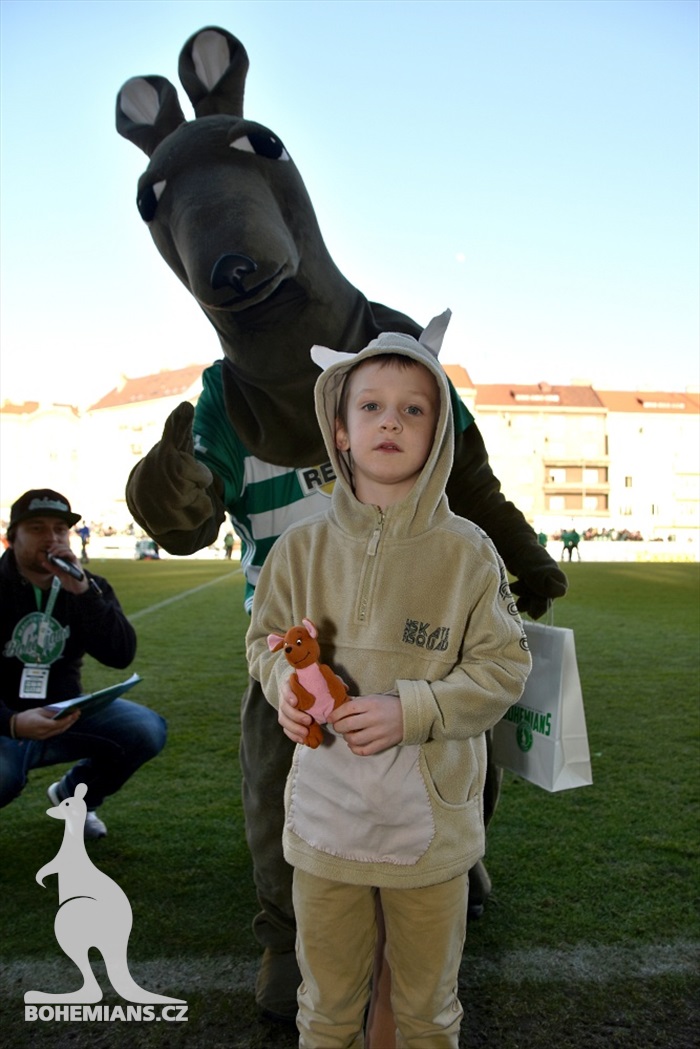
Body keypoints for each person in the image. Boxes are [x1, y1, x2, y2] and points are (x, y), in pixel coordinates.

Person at [246, 327, 531, 1046]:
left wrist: (414, 710)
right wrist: (283, 680)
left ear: (438, 433)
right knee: (326, 1009)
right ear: (339, 430)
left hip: (429, 835)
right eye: (371, 406)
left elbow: (504, 666)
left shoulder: (468, 552)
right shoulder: (299, 549)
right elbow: (266, 640)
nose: (390, 422)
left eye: (413, 410)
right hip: (325, 827)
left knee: (426, 1014)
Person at [0, 489, 168, 839]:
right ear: (11, 537)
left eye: (60, 529)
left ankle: (74, 797)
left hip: (63, 714)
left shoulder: (87, 586)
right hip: (5, 722)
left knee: (145, 729)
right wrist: (13, 722)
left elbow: (120, 655)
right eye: (37, 528)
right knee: (3, 775)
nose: (51, 538)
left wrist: (83, 592)